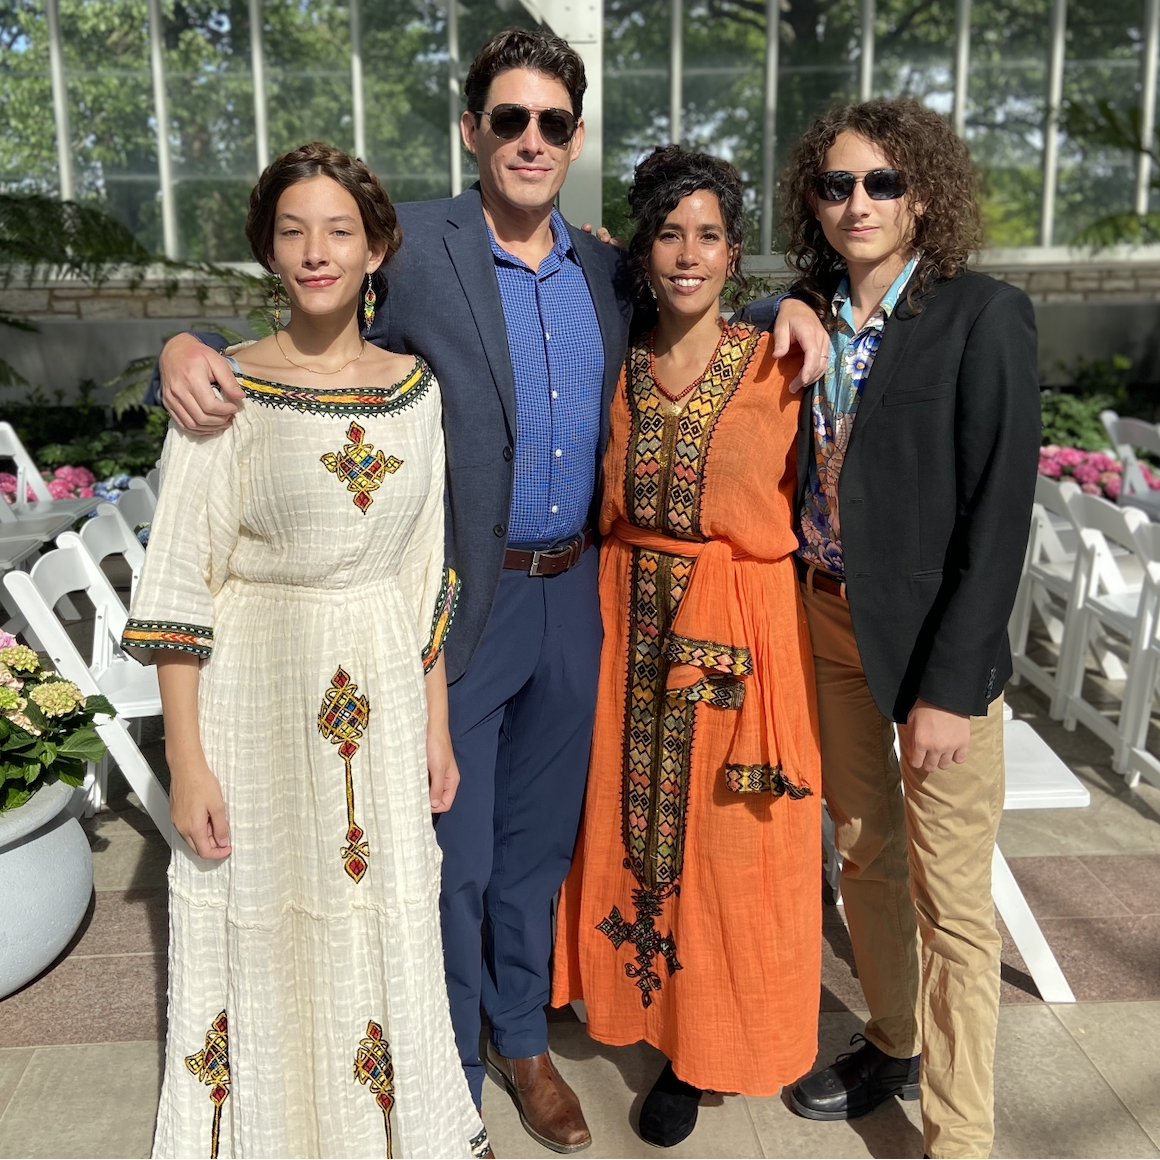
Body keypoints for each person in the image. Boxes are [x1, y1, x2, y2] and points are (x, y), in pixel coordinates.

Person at [153, 28, 830, 1153]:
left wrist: (783, 307)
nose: (528, 139)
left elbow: (692, 295)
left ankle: (522, 1038)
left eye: (551, 123)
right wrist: (186, 339)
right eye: (506, 119)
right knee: (451, 853)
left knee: (536, 847)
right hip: (458, 600)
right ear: (471, 130)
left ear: (572, 138)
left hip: (580, 595)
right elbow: (303, 312)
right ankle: (446, 1052)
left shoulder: (605, 263)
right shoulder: (409, 241)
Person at [122, 143, 490, 1158]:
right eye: (292, 231)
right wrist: (185, 756)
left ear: (376, 248)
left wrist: (437, 726)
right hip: (257, 691)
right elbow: (179, 586)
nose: (315, 251)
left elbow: (425, 573)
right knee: (268, 911)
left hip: (379, 680)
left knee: (379, 907)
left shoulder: (416, 391)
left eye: (338, 230)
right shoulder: (223, 390)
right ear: (268, 252)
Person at [740, 99, 1040, 1159]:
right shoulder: (811, 307)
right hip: (823, 620)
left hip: (930, 649)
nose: (855, 202)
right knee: (862, 855)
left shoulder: (981, 314)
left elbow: (997, 516)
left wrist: (950, 686)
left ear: (922, 191)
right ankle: (892, 1037)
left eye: (879, 182)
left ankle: (960, 1135)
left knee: (951, 901)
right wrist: (785, 297)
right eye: (833, 185)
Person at [552, 146, 823, 1149]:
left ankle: (701, 1048)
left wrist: (805, 301)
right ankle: (631, 1005)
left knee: (725, 841)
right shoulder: (616, 361)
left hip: (737, 628)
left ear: (733, 250)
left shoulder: (779, 359)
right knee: (627, 822)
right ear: (643, 247)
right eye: (668, 232)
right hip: (626, 611)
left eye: (707, 234)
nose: (686, 252)